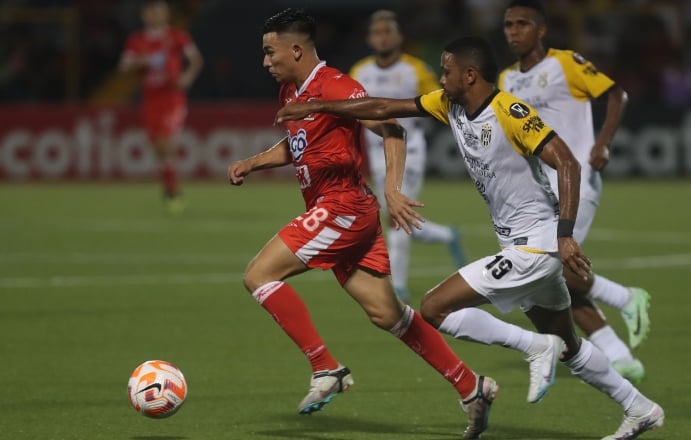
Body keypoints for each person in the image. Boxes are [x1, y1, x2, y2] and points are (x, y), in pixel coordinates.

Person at [275, 35, 665, 440]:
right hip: (519, 245)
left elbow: (566, 160)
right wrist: (320, 106)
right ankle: (639, 408)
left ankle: (534, 346)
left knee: (434, 308)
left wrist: (565, 235)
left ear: (470, 74)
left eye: (446, 71)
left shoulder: (509, 111)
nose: (440, 78)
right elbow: (384, 107)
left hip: (537, 245)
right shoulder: (450, 105)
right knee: (569, 346)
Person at [227, 9, 497, 439]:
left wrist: (393, 188)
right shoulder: (290, 91)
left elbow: (392, 130)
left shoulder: (336, 86)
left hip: (343, 207)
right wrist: (254, 162)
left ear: (295, 49)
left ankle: (325, 366)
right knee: (387, 313)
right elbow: (300, 145)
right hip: (347, 212)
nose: (265, 61)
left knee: (259, 274)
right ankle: (471, 386)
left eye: (269, 51)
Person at [498, 0, 650, 382]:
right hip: (538, 189)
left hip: (575, 177)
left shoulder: (566, 62)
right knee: (552, 277)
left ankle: (623, 297)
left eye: (522, 24)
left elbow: (617, 94)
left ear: (541, 30)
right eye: (508, 25)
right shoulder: (506, 80)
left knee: (549, 267)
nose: (514, 31)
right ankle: (618, 354)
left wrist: (603, 143)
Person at [349, 10, 467, 302]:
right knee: (395, 216)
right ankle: (447, 236)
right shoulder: (359, 72)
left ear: (399, 37)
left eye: (388, 32)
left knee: (394, 217)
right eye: (377, 32)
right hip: (377, 153)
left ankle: (396, 287)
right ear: (370, 39)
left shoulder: (416, 69)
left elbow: (443, 100)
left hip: (408, 150)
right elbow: (350, 111)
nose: (383, 37)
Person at [118, 0, 203, 214]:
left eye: (160, 10)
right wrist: (143, 61)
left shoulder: (176, 36)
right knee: (158, 149)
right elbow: (124, 67)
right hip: (149, 101)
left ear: (166, 13)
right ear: (145, 15)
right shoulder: (137, 41)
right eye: (152, 11)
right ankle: (169, 189)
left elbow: (195, 60)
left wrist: (187, 77)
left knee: (166, 143)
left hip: (172, 98)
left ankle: (173, 193)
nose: (156, 14)